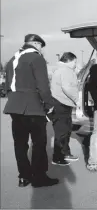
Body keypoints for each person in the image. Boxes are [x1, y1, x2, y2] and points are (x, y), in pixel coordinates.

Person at [3, 34, 59, 187]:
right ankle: (39, 177)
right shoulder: (36, 58)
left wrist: (14, 100)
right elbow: (43, 85)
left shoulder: (12, 60)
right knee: (39, 143)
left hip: (14, 107)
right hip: (33, 107)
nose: (41, 49)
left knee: (20, 144)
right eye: (41, 46)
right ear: (35, 43)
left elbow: (7, 85)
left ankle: (24, 176)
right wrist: (49, 104)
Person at [50, 52, 79, 166]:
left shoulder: (60, 70)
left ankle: (65, 153)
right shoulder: (66, 71)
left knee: (65, 131)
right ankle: (58, 157)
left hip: (60, 104)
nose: (75, 64)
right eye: (75, 62)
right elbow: (67, 87)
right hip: (62, 104)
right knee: (62, 132)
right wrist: (77, 100)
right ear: (69, 60)